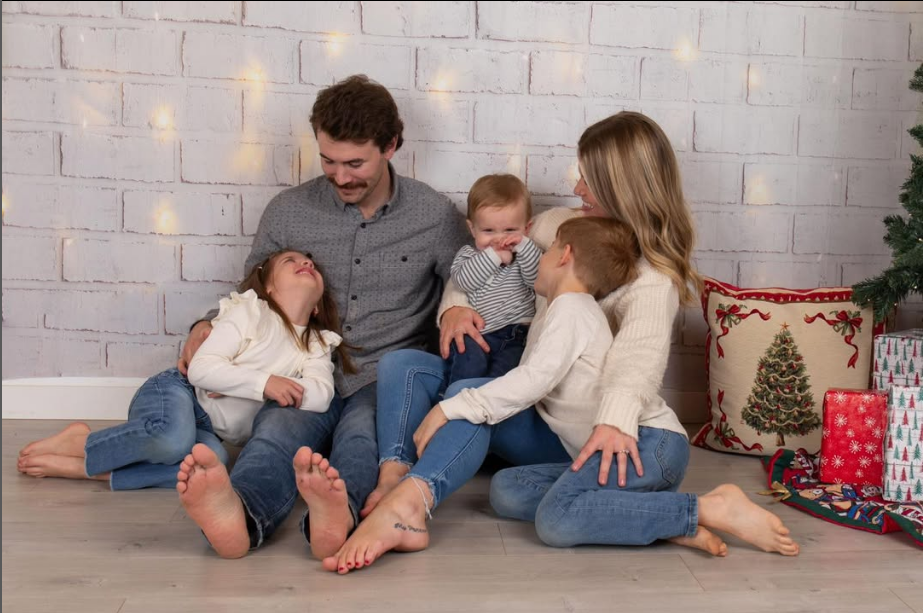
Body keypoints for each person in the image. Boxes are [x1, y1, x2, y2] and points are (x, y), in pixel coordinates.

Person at [326, 111, 799, 573]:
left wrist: (614, 422)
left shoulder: (647, 281)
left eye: (588, 178)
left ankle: (409, 505)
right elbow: (484, 254)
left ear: (619, 188)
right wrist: (454, 306)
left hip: (626, 436)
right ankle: (397, 473)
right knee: (501, 486)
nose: (577, 189)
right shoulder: (561, 226)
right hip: (560, 423)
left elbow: (636, 358)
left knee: (537, 495)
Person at [172, 74, 470, 560]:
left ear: (391, 145)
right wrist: (206, 324)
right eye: (329, 160)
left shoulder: (433, 215)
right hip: (300, 367)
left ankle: (337, 518)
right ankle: (238, 514)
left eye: (355, 163)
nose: (341, 176)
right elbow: (253, 293)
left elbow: (470, 278)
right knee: (275, 432)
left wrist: (457, 306)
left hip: (381, 377)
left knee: (362, 439)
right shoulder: (288, 211)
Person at [17, 248, 344, 493]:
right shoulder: (249, 313)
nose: (306, 264)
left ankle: (90, 469)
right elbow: (201, 370)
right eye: (291, 261)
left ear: (317, 306)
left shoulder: (316, 345)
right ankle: (84, 444)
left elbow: (320, 396)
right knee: (173, 439)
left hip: (212, 431)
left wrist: (243, 383)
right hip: (179, 393)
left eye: (311, 265)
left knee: (211, 468)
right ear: (268, 288)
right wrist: (265, 383)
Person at [444, 173, 540, 386]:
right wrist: (493, 257)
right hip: (477, 333)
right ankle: (451, 398)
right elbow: (463, 282)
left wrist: (523, 245)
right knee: (468, 363)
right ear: (472, 229)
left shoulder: (525, 255)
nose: (499, 239)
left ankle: (482, 405)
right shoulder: (468, 255)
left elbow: (537, 281)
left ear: (526, 229)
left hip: (518, 334)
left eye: (510, 230)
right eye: (488, 231)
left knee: (501, 379)